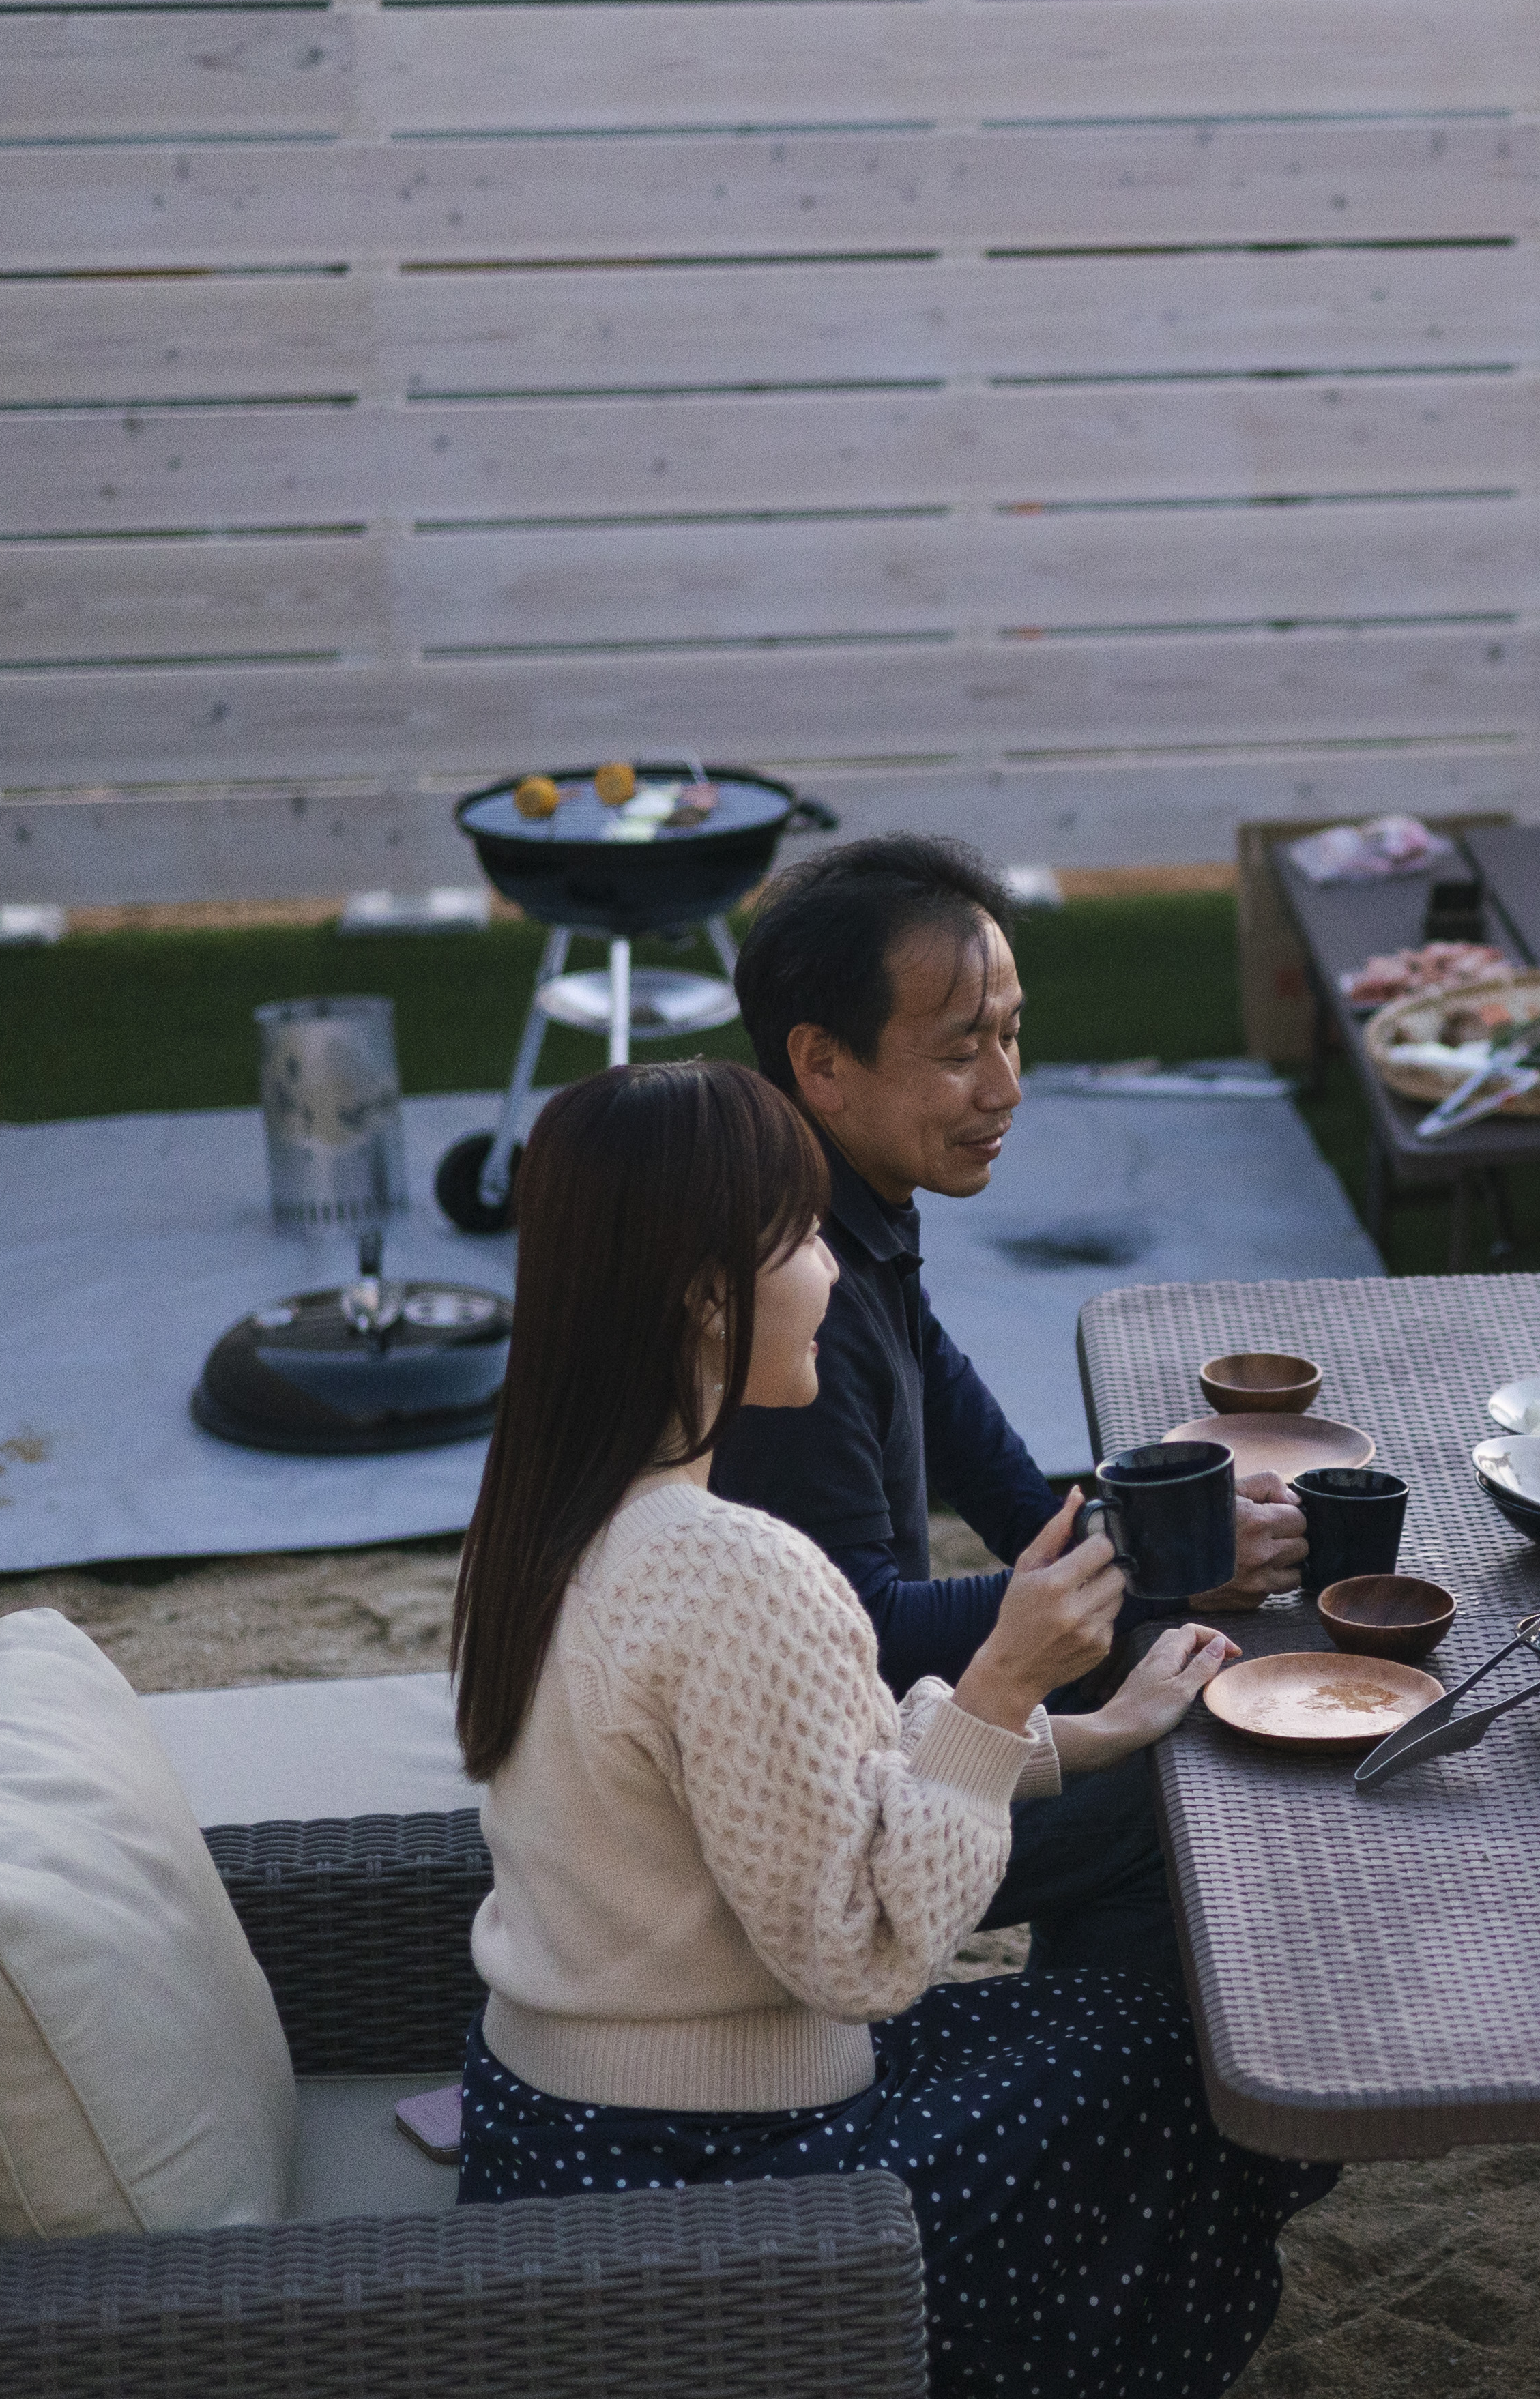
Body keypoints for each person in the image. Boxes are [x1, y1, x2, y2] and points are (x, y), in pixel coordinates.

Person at [447, 1061, 1329, 2399]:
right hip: (727, 2189)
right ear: (702, 1295)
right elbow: (860, 1956)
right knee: (1188, 2071)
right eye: (801, 1238)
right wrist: (1001, 1689)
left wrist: (1082, 1734)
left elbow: (785, 1803)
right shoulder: (739, 1571)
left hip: (550, 2142)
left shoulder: (535, 1518)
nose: (833, 1272)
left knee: (1112, 2034)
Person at [714, 834, 1307, 1978]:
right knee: (1182, 1796)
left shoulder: (851, 1210)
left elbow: (997, 1477)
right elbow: (866, 1635)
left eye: (1009, 1030)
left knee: (1144, 1659)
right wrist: (1142, 1567)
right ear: (823, 1066)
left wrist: (1157, 1546)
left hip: (893, 1737)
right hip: (843, 1809)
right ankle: (1111, 2079)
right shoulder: (797, 1301)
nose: (1007, 1085)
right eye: (958, 1051)